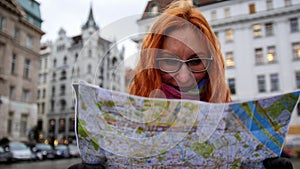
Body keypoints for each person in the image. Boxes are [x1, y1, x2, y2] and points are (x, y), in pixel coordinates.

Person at [69, 1, 293, 168]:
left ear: (211, 66)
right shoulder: (121, 128)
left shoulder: (245, 133)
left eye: (195, 61)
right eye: (168, 61)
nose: (183, 77)